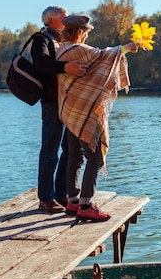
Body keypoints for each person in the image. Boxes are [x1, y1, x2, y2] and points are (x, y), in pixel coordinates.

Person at [56, 13, 139, 221]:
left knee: (74, 158)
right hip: (85, 114)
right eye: (85, 32)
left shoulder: (60, 50)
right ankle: (85, 204)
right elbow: (104, 56)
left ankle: (73, 201)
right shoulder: (76, 49)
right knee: (95, 159)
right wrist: (128, 47)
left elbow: (92, 69)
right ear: (79, 32)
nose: (86, 37)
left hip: (71, 113)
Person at [31, 6, 86, 214]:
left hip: (69, 100)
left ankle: (63, 193)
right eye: (65, 17)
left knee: (70, 149)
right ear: (52, 20)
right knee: (50, 150)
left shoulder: (64, 40)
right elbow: (41, 64)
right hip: (52, 101)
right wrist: (65, 68)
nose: (68, 19)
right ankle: (45, 198)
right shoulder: (41, 38)